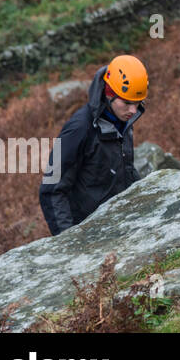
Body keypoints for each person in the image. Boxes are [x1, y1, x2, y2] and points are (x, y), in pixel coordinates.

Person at [39, 55, 147, 235]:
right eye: (127, 103)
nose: (133, 111)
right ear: (109, 93)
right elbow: (51, 190)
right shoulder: (78, 129)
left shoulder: (122, 121)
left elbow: (125, 169)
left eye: (137, 103)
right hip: (86, 233)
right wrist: (68, 241)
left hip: (119, 226)